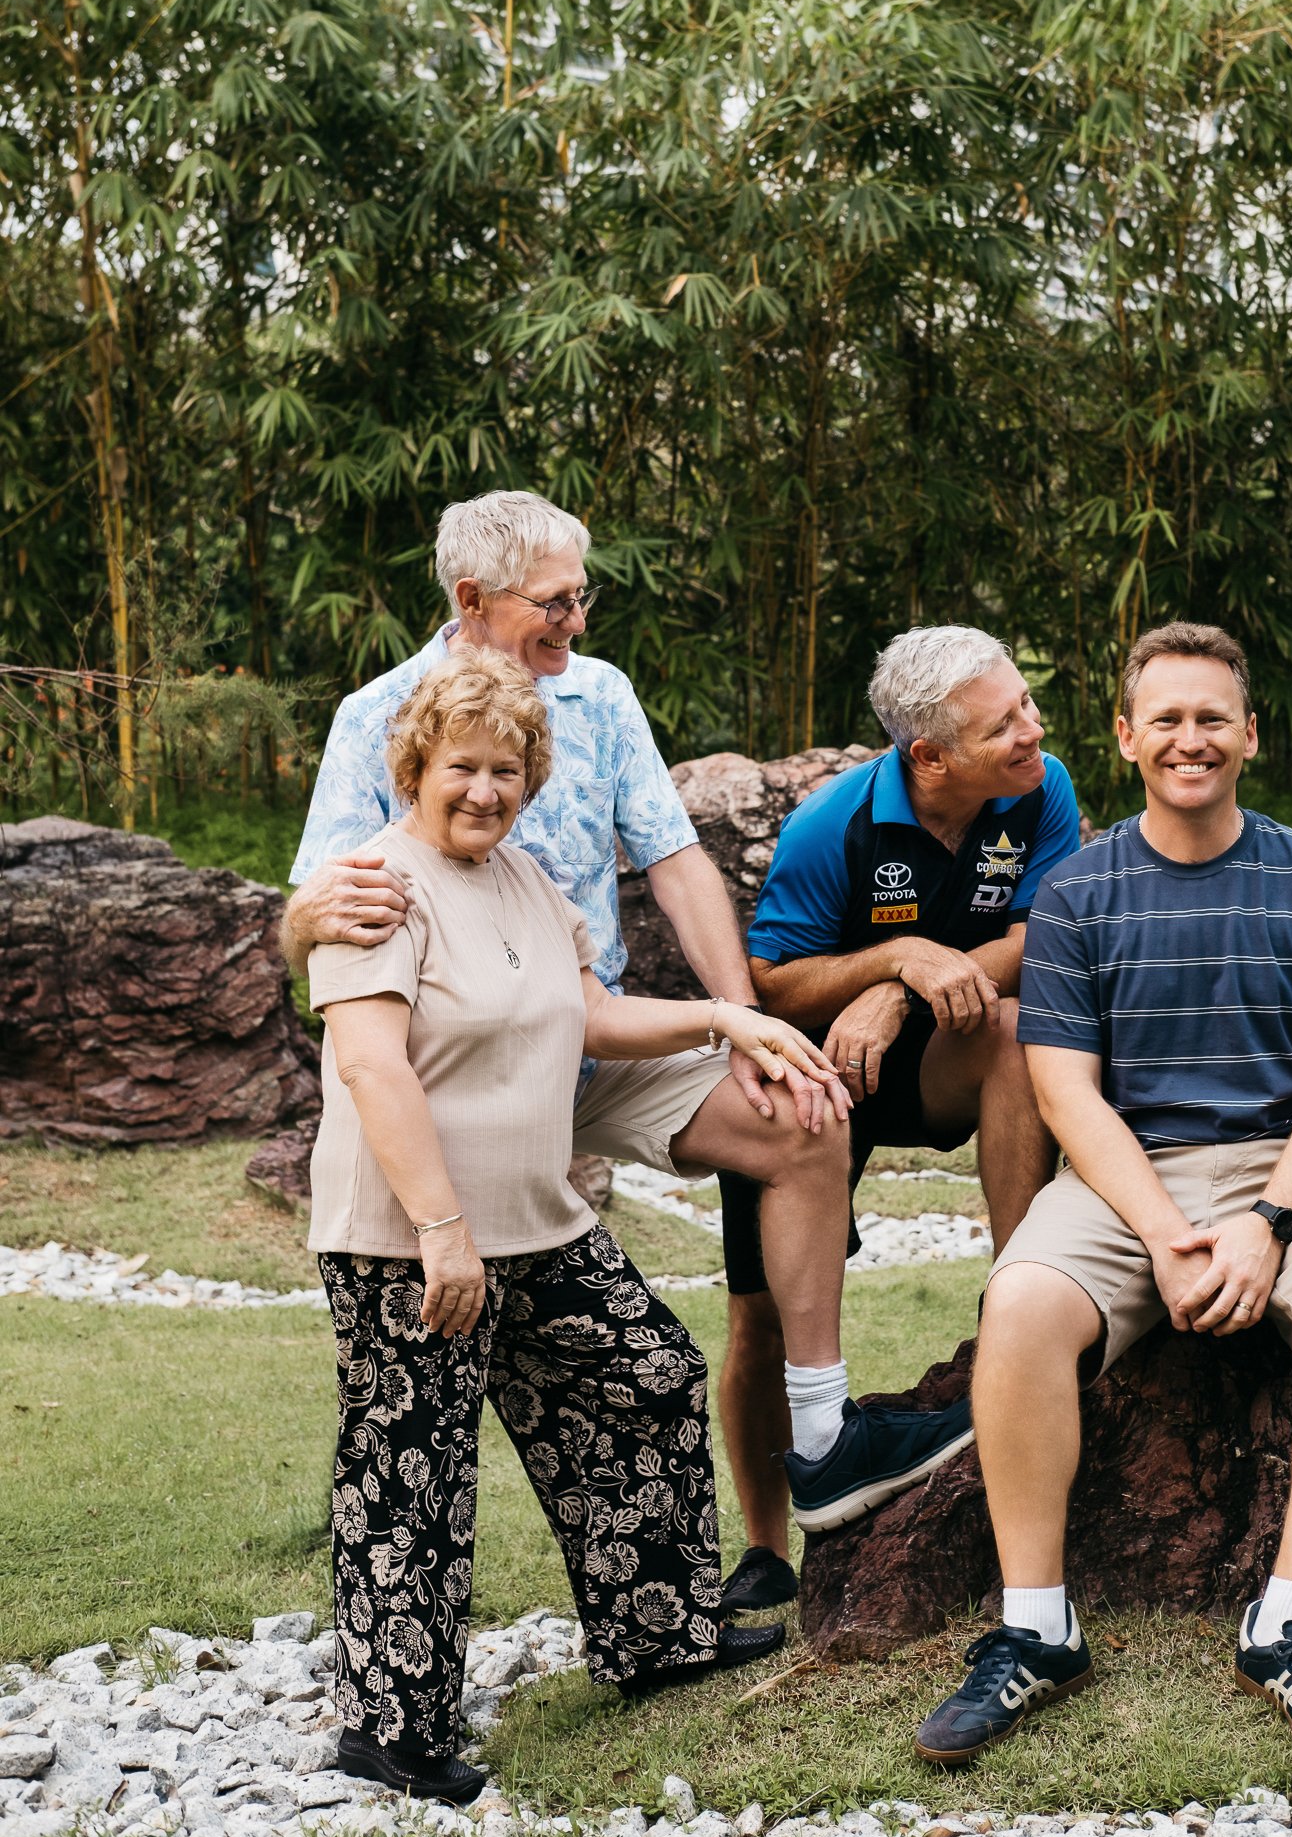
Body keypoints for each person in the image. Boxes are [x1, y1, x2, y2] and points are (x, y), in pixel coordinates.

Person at [284, 490, 968, 1614]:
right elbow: (313, 906)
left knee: (804, 1114)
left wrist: (742, 1018)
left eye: (581, 594)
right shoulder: (378, 716)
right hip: (462, 1079)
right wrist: (310, 923)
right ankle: (405, 1680)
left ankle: (821, 1432)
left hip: (591, 1034)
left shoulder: (597, 699)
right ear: (472, 600)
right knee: (431, 1415)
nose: (578, 620)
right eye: (556, 601)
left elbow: (674, 860)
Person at [310, 648, 837, 1802]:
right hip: (411, 1234)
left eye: (507, 770)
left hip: (538, 1222)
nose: (485, 790)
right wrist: (438, 1229)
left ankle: (656, 1632)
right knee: (415, 1463)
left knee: (643, 1373)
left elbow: (587, 1011)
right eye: (462, 766)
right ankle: (390, 1728)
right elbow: (370, 1066)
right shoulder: (374, 887)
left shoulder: (526, 882)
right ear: (413, 764)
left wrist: (718, 1019)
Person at [912, 620, 1292, 1773]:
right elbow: (1063, 1088)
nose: (1187, 739)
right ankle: (1034, 1630)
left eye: (1210, 718)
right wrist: (1159, 1232)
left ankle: (1285, 1624)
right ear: (1123, 737)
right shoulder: (1078, 892)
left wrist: (1266, 1225)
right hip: (1123, 1172)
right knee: (1022, 1308)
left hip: (1289, 1163)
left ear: (1248, 733)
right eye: (1165, 719)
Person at [742, 625, 1082, 1533]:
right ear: (928, 755)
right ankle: (770, 1547)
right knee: (759, 1320)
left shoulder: (1040, 791)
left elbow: (1038, 940)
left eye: (1024, 703)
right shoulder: (831, 825)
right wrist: (896, 960)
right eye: (1004, 722)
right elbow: (770, 982)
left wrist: (906, 994)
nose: (1032, 729)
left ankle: (1019, 1303)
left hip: (935, 1055)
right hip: (810, 1078)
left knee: (1017, 1031)